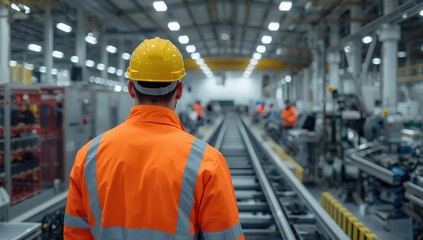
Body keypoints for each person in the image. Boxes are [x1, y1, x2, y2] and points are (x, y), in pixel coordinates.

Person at [64, 37, 244, 240]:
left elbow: (75, 234)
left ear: (131, 88)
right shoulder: (208, 162)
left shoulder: (87, 157)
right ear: (179, 91)